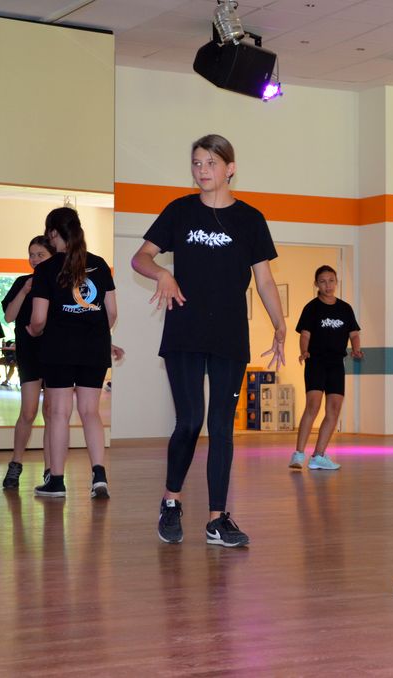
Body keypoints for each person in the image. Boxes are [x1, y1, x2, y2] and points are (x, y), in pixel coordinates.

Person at [131, 133, 286, 548]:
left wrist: (280, 324)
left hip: (229, 335)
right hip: (184, 330)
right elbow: (140, 257)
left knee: (221, 426)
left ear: (230, 168)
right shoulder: (179, 211)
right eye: (197, 163)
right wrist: (162, 273)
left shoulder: (250, 219)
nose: (202, 170)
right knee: (189, 420)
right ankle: (171, 501)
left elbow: (265, 280)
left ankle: (218, 519)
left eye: (211, 163)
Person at [28, 207, 116, 500]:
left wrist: (34, 331)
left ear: (53, 233)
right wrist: (93, 332)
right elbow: (112, 313)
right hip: (94, 347)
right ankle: (99, 477)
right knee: (91, 412)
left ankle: (56, 481)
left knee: (59, 414)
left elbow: (39, 318)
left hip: (59, 348)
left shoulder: (46, 269)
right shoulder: (99, 265)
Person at [289, 265, 362, 471]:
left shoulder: (345, 308)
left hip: (336, 364)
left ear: (336, 282)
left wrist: (356, 349)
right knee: (313, 405)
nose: (328, 285)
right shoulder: (311, 308)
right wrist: (304, 351)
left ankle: (319, 456)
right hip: (316, 362)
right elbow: (305, 334)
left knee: (334, 408)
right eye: (323, 281)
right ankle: (298, 454)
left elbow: (354, 333)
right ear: (316, 284)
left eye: (331, 281)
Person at [0, 235, 55, 490]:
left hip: (55, 354)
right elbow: (9, 316)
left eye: (40, 255)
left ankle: (51, 470)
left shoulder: (60, 284)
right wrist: (24, 290)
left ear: (52, 257)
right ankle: (16, 463)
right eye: (31, 254)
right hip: (29, 354)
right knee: (28, 412)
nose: (34, 259)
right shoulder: (22, 282)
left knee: (52, 413)